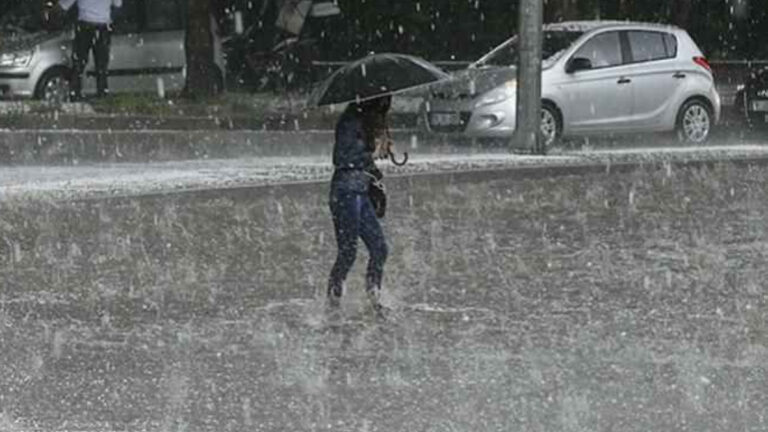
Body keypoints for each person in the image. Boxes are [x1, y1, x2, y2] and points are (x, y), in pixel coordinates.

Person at [327, 95, 394, 317]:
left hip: (360, 191)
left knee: (379, 248)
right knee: (348, 252)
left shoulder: (365, 121)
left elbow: (364, 160)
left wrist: (378, 151)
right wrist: (372, 151)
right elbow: (343, 158)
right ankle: (334, 301)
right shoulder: (350, 121)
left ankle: (374, 296)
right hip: (345, 192)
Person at [57, 0, 122, 100]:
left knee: (79, 62)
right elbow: (118, 5)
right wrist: (109, 18)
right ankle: (102, 94)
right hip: (103, 26)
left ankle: (75, 93)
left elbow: (64, 6)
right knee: (101, 65)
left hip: (84, 26)